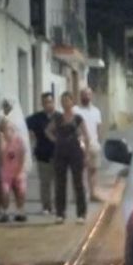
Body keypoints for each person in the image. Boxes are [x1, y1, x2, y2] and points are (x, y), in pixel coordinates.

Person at [47, 91, 89, 225]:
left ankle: (81, 214)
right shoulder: (58, 117)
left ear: (72, 101)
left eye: (67, 100)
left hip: (75, 152)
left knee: (78, 183)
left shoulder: (78, 118)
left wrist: (86, 154)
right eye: (63, 100)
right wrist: (55, 140)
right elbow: (48, 131)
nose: (65, 103)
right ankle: (60, 213)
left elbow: (86, 136)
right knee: (60, 183)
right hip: (60, 153)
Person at [26, 92, 57, 214]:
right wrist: (30, 136)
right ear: (42, 104)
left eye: (50, 102)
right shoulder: (36, 118)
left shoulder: (59, 117)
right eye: (45, 102)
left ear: (54, 102)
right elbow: (23, 126)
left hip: (58, 154)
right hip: (42, 154)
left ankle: (57, 206)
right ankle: (46, 207)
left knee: (58, 183)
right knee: (45, 182)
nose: (48, 104)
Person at [73, 87, 103, 202]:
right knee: (79, 171)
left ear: (91, 96)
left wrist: (98, 141)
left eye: (88, 94)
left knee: (93, 170)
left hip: (93, 144)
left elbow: (98, 127)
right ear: (80, 96)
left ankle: (93, 194)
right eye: (84, 94)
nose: (86, 97)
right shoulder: (75, 110)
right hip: (79, 144)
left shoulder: (96, 111)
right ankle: (80, 195)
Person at [0, 116, 28, 222]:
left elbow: (22, 155)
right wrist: (2, 141)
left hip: (19, 170)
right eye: (6, 129)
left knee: (21, 191)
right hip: (6, 172)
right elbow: (1, 156)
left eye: (10, 128)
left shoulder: (19, 140)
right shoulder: (2, 141)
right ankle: (5, 212)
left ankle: (20, 211)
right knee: (5, 192)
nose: (9, 131)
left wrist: (20, 169)